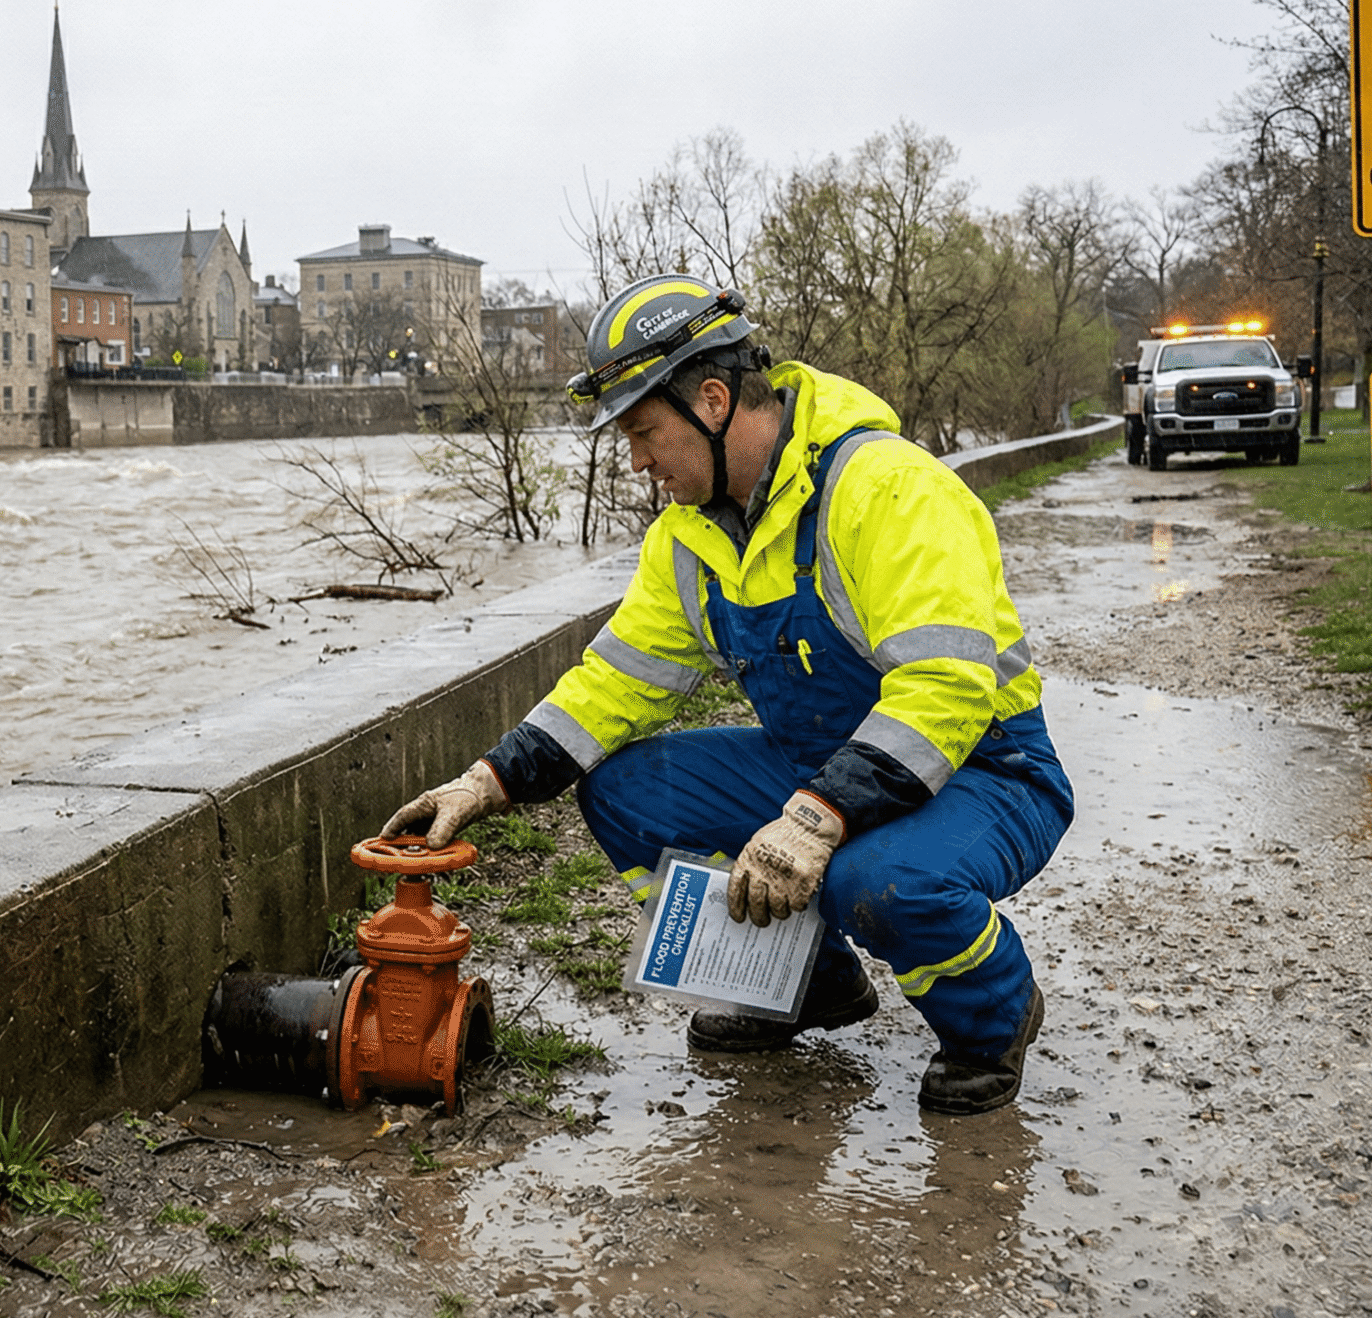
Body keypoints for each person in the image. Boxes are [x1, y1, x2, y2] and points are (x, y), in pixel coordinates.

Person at [382, 275, 1073, 1115]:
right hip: (817, 766)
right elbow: (614, 684)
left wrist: (816, 819)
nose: (638, 462)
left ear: (713, 400)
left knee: (873, 880)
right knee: (627, 792)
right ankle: (805, 987)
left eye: (645, 432)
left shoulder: (887, 487)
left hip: (986, 770)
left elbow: (947, 687)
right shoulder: (689, 536)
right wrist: (486, 781)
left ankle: (992, 1019)